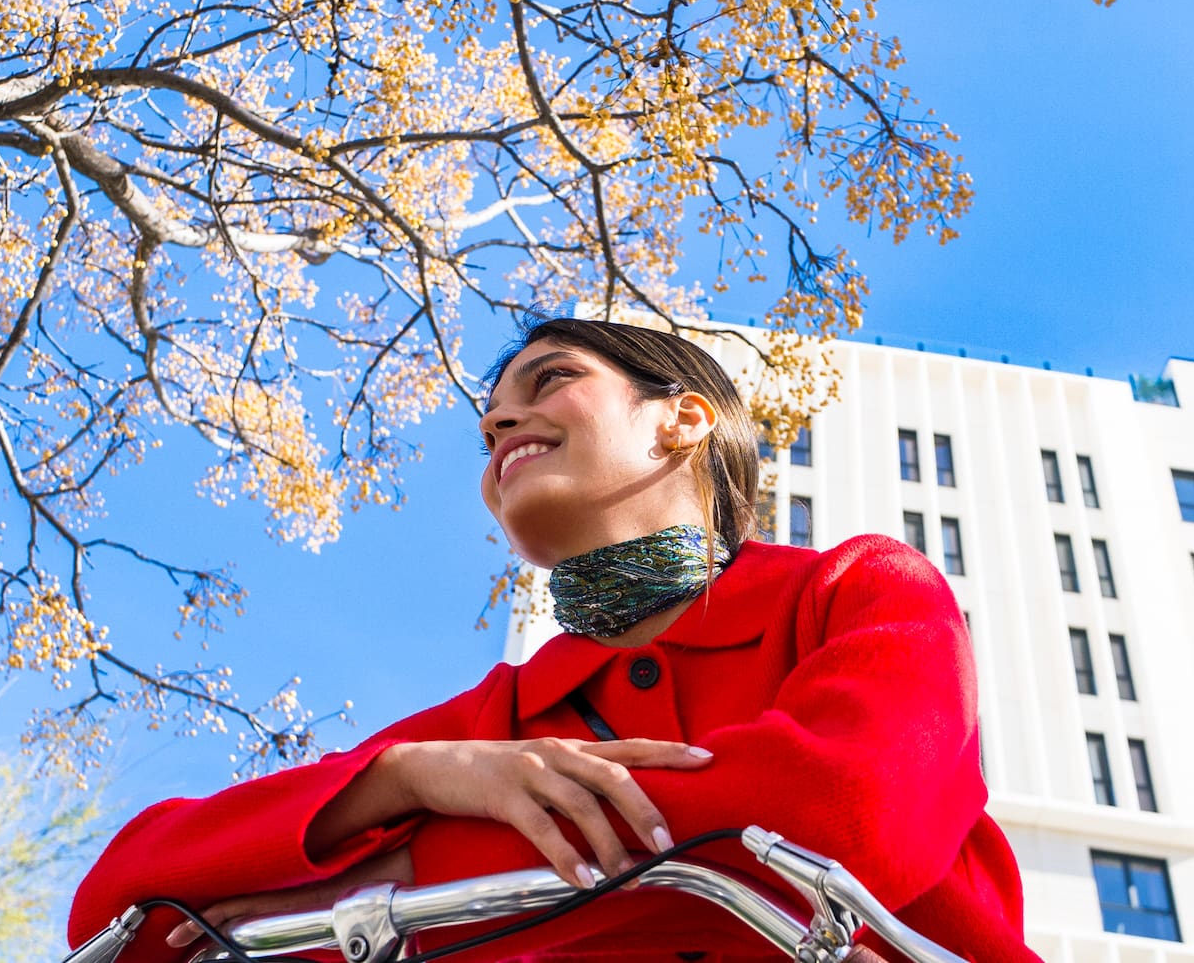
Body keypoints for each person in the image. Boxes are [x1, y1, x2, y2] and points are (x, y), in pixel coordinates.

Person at [66, 318, 1041, 963]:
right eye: (488, 416)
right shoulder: (489, 724)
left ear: (682, 419)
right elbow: (123, 915)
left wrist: (404, 874)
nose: (496, 418)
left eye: (551, 379)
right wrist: (398, 780)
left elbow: (839, 819)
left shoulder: (859, 589)